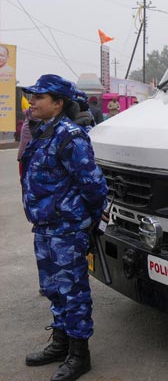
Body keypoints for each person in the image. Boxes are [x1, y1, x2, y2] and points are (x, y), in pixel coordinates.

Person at [19, 74, 108, 381]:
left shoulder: (71, 136)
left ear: (58, 103)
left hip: (67, 228)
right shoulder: (43, 131)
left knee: (73, 292)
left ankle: (80, 354)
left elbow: (94, 185)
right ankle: (60, 342)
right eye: (33, 95)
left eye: (40, 97)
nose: (32, 101)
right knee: (54, 289)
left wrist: (88, 220)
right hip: (44, 226)